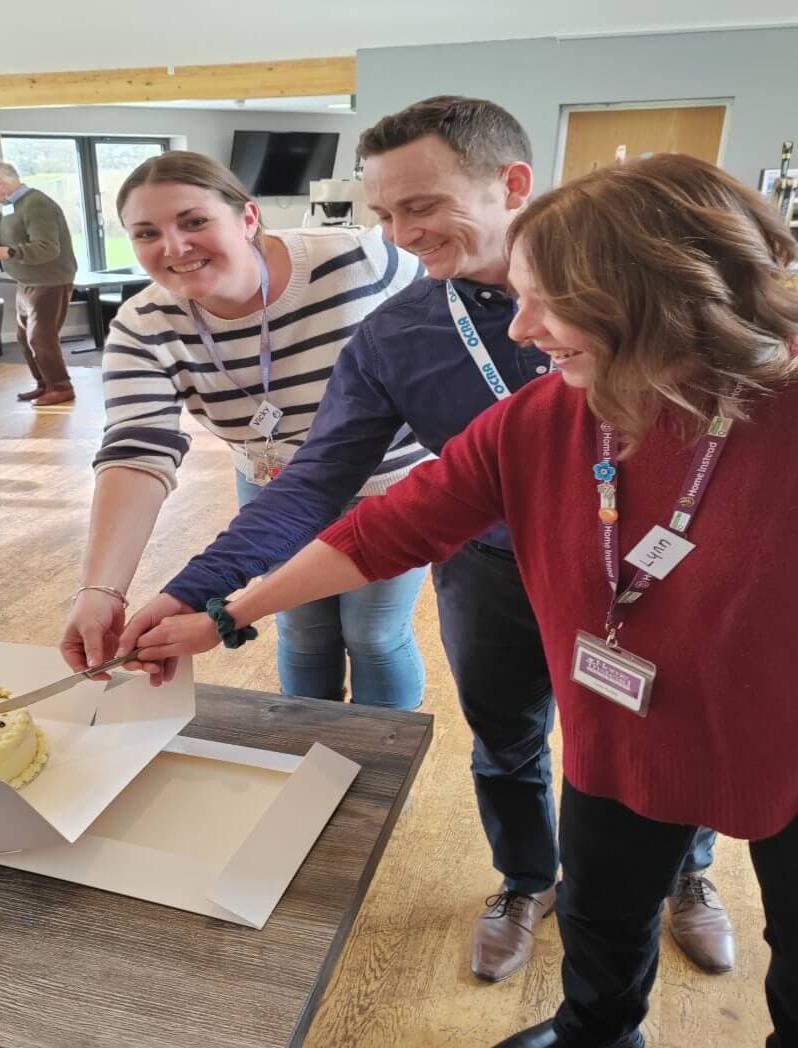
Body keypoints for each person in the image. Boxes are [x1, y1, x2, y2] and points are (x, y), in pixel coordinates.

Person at [134, 154, 798, 1048]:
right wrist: (224, 614)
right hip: (622, 729)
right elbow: (387, 528)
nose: (521, 330)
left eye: (546, 303)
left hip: (785, 741)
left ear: (648, 294)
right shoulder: (549, 415)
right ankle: (593, 1035)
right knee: (601, 916)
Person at [60, 150, 428, 709]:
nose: (174, 247)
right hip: (278, 486)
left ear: (249, 218)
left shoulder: (360, 262)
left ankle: (379, 764)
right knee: (301, 628)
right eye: (146, 233)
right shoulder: (145, 325)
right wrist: (100, 589)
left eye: (194, 221)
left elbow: (452, 322)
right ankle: (308, 748)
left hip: (389, 482)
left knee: (374, 634)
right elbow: (138, 452)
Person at [0, 159, 77, 406]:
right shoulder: (12, 206)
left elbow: (47, 248)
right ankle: (44, 384)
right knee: (25, 339)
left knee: (41, 339)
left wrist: (1, 253)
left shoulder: (36, 204)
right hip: (26, 281)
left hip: (49, 282)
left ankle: (61, 387)